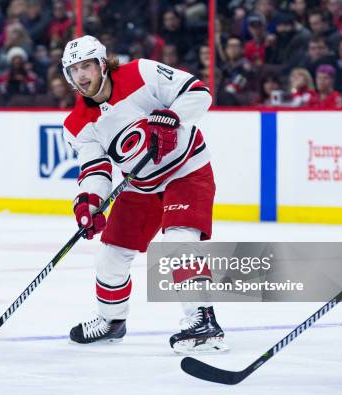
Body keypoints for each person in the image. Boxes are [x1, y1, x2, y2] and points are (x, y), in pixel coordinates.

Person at [61, 35, 228, 354]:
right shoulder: (77, 123)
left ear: (102, 65)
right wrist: (89, 203)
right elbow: (95, 169)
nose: (81, 76)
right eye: (74, 70)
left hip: (186, 169)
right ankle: (111, 321)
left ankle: (203, 320)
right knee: (111, 254)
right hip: (140, 184)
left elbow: (198, 93)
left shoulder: (142, 73)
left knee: (179, 239)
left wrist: (173, 120)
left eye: (86, 66)